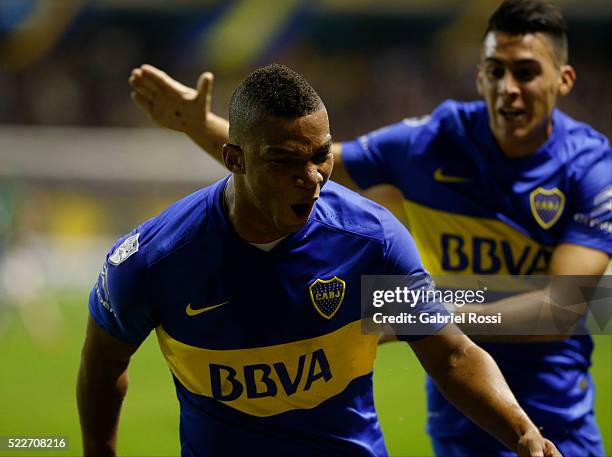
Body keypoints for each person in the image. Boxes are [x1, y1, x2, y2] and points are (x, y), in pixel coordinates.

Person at [128, 1, 611, 456]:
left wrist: (414, 311)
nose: (508, 87)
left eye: (525, 72)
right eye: (495, 70)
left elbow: (566, 307)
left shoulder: (591, 167)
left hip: (558, 418)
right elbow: (297, 165)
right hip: (458, 416)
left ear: (564, 79)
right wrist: (200, 125)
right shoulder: (431, 141)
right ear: (479, 75)